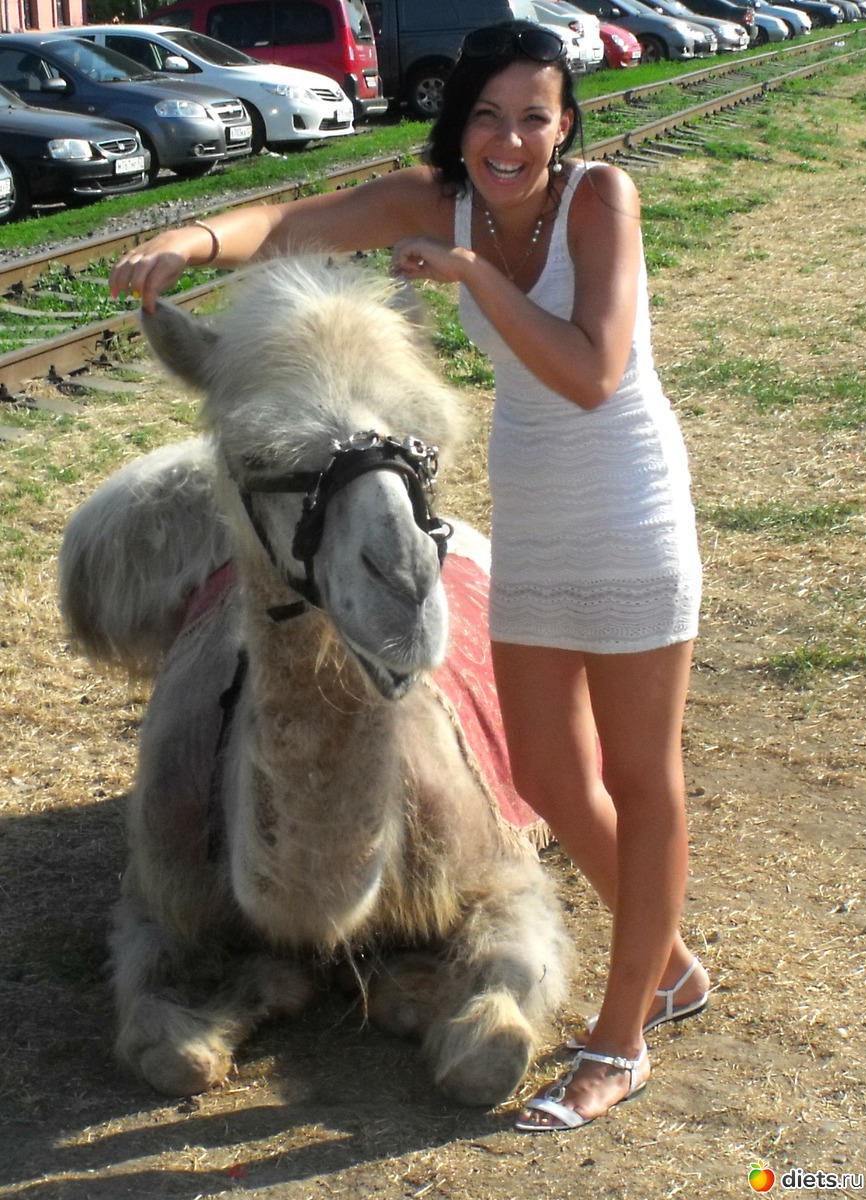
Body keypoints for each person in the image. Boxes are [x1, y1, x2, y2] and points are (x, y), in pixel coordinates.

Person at [109, 19, 709, 1131]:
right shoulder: (437, 200)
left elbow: (592, 370)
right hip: (531, 515)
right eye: (487, 115)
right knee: (546, 774)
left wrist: (471, 270)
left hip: (625, 508)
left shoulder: (600, 201)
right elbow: (292, 224)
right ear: (457, 123)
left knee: (639, 777)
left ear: (565, 125)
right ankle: (667, 961)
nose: (509, 139)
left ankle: (622, 1035)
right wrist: (189, 242)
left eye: (534, 117)